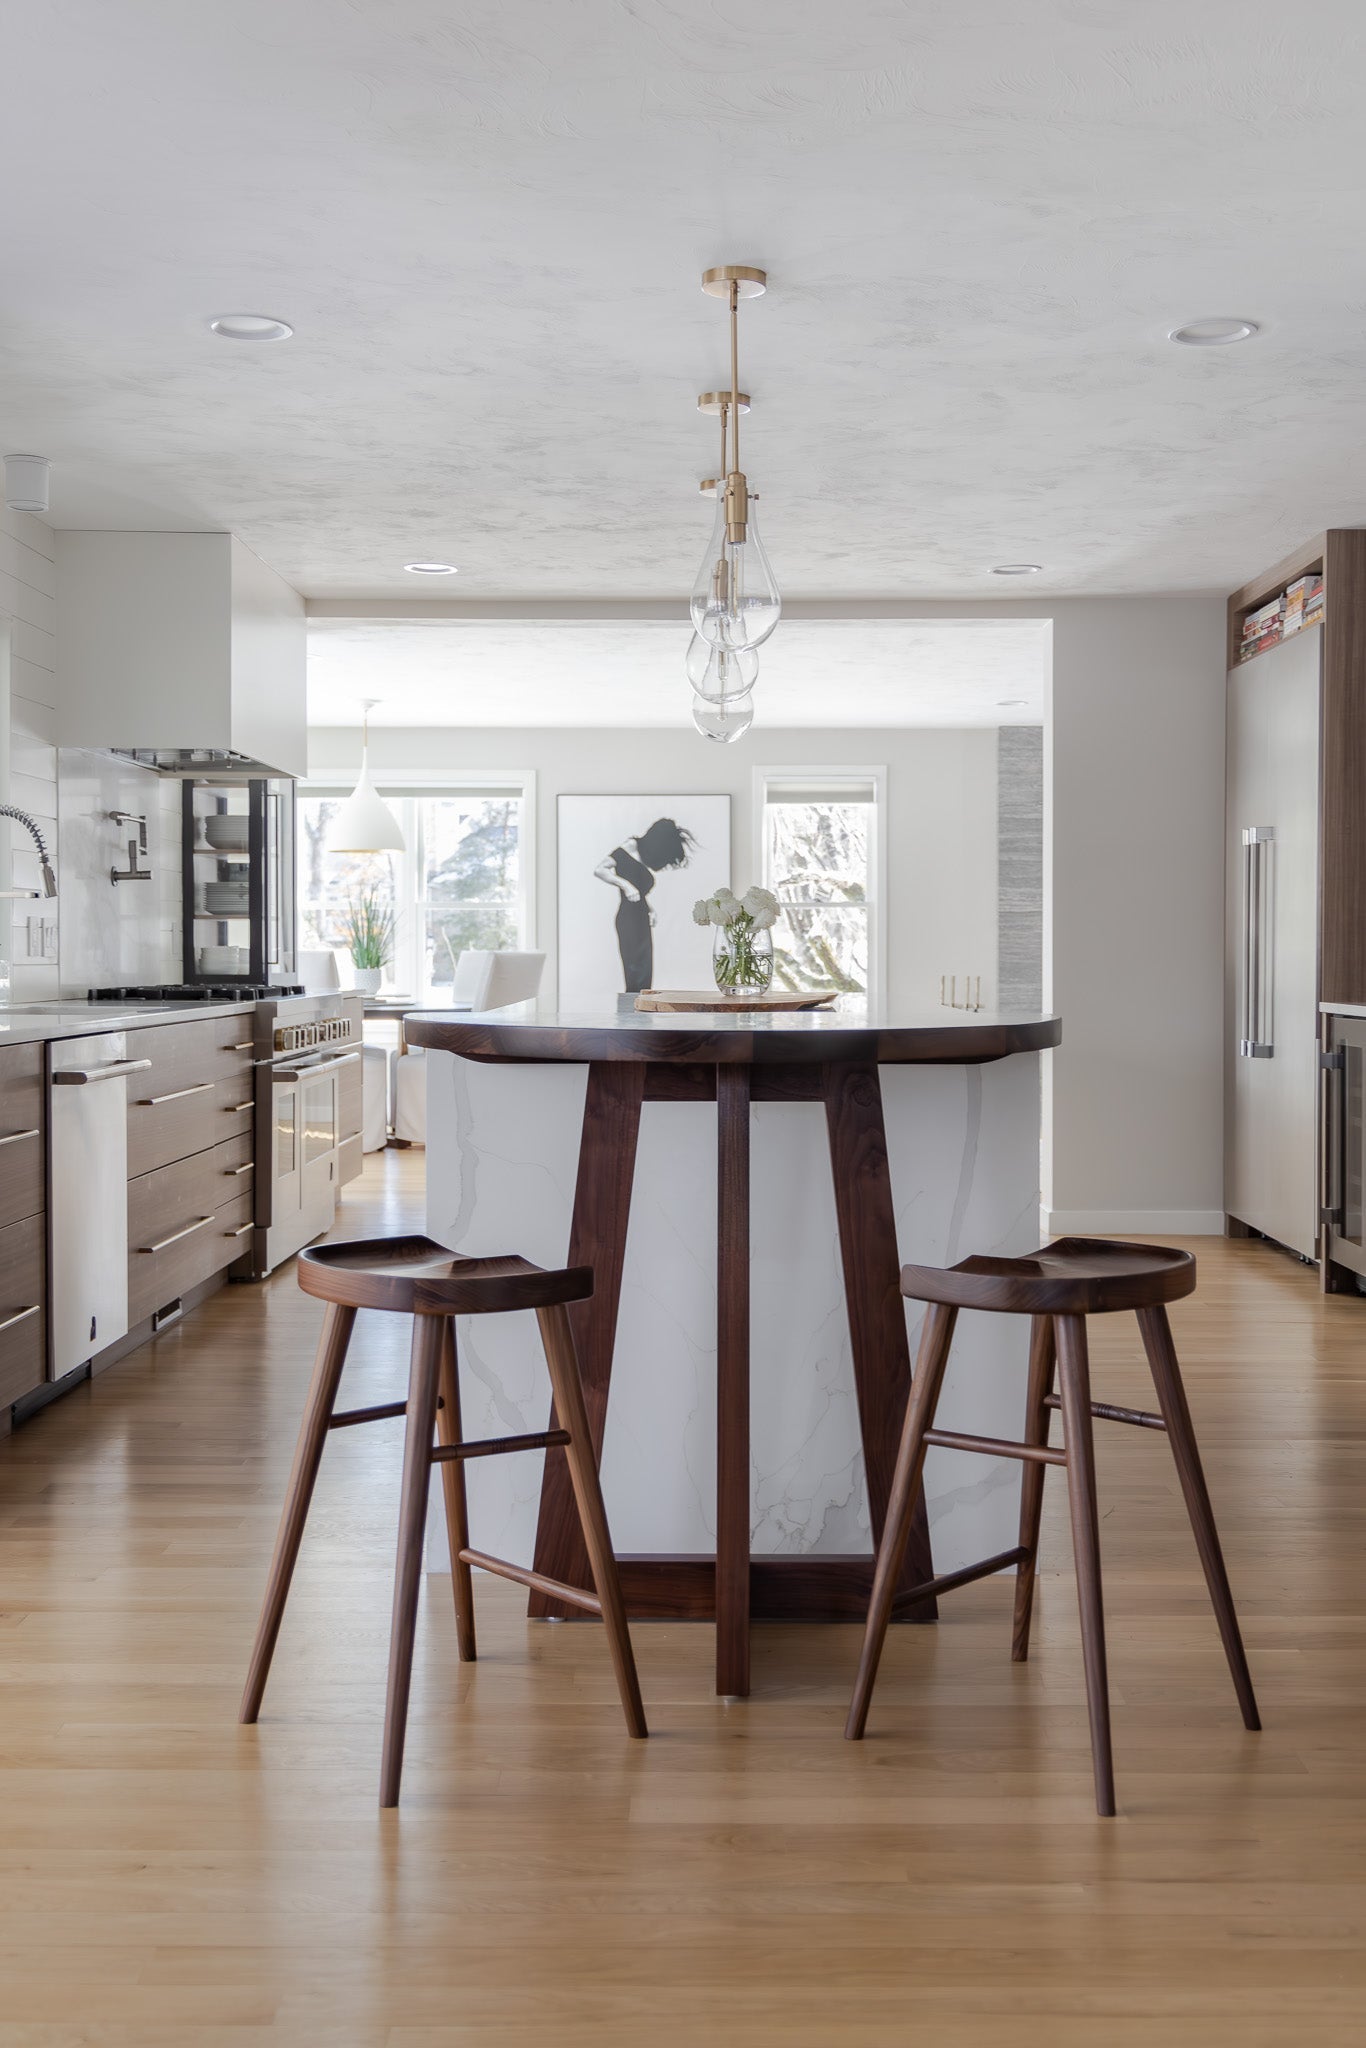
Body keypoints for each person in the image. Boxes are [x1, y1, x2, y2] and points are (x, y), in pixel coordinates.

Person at [594, 816, 696, 991]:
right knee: (634, 969)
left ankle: (640, 1013)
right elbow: (600, 869)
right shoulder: (630, 846)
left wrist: (650, 908)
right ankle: (629, 1013)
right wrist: (625, 885)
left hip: (641, 916)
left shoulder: (643, 855)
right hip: (628, 918)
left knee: (645, 970)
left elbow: (639, 892)